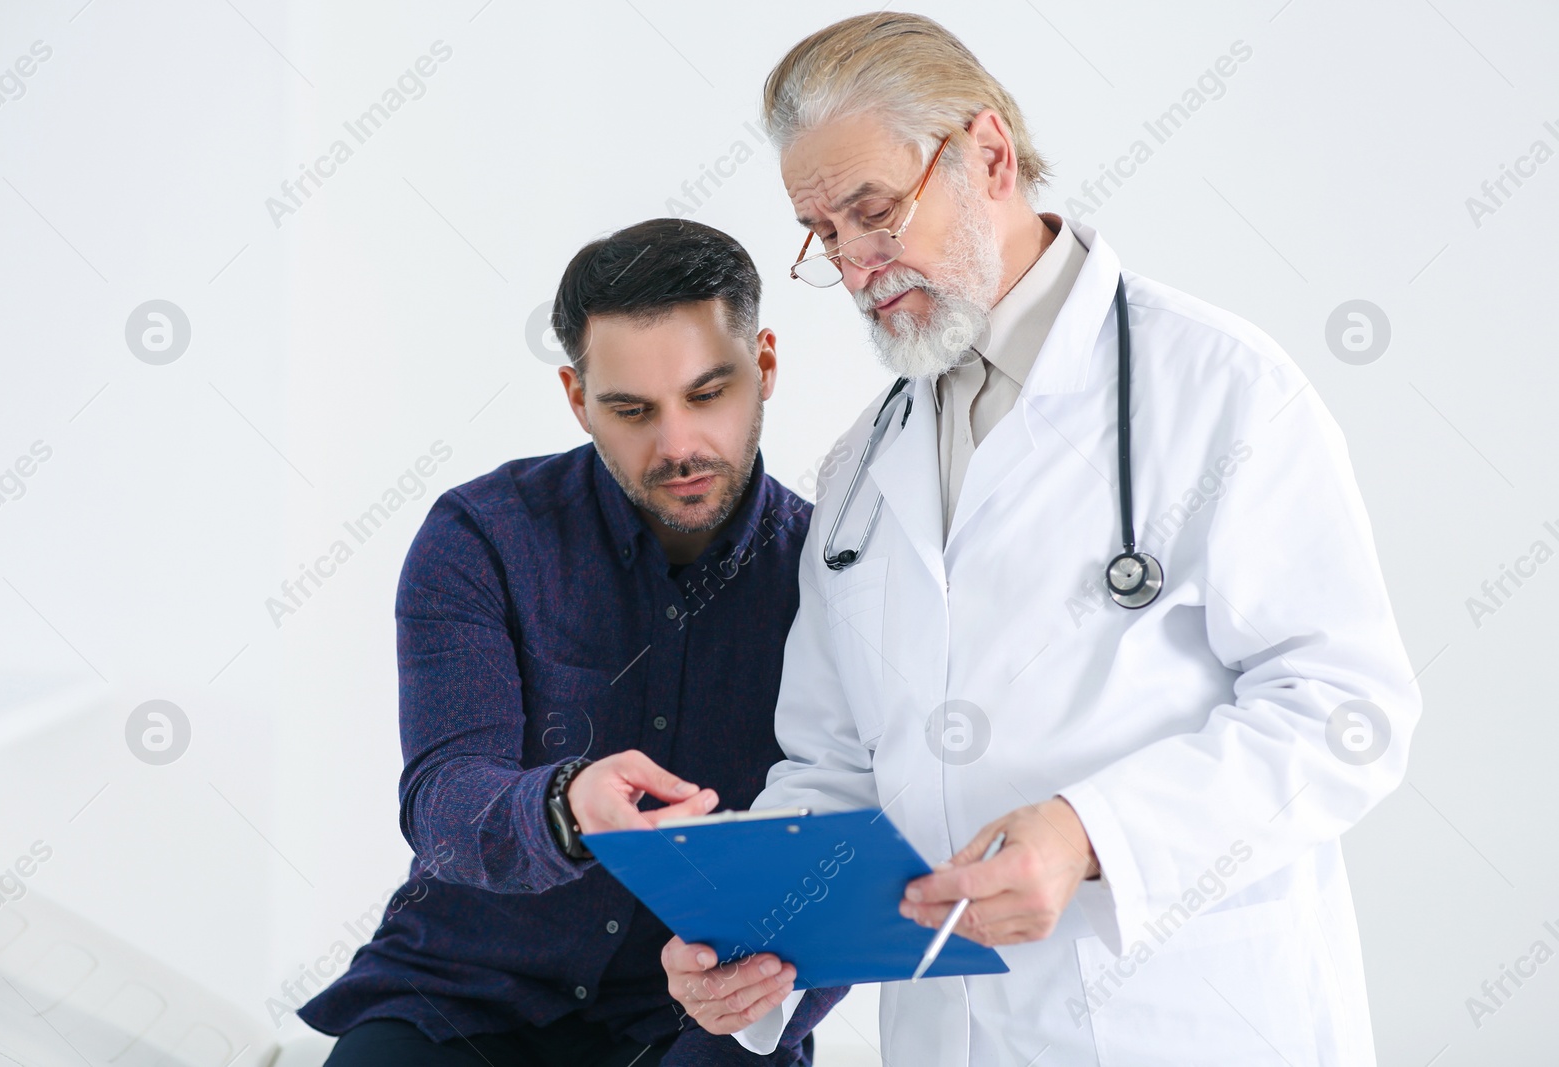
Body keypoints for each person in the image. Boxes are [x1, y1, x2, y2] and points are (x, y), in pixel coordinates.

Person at [661, 13, 1421, 1065]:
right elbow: (835, 763)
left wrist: (1091, 832)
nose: (855, 263)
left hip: (1189, 1019)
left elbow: (1349, 709)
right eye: (825, 236)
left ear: (988, 155)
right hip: (945, 1031)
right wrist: (757, 937)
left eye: (874, 212)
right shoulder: (857, 472)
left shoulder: (1218, 390)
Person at [301, 218, 845, 1066]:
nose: (678, 447)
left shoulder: (838, 575)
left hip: (701, 1007)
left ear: (765, 366)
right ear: (575, 397)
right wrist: (563, 808)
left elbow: (852, 835)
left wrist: (772, 986)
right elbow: (441, 803)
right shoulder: (482, 535)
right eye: (631, 410)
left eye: (708, 395)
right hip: (461, 990)